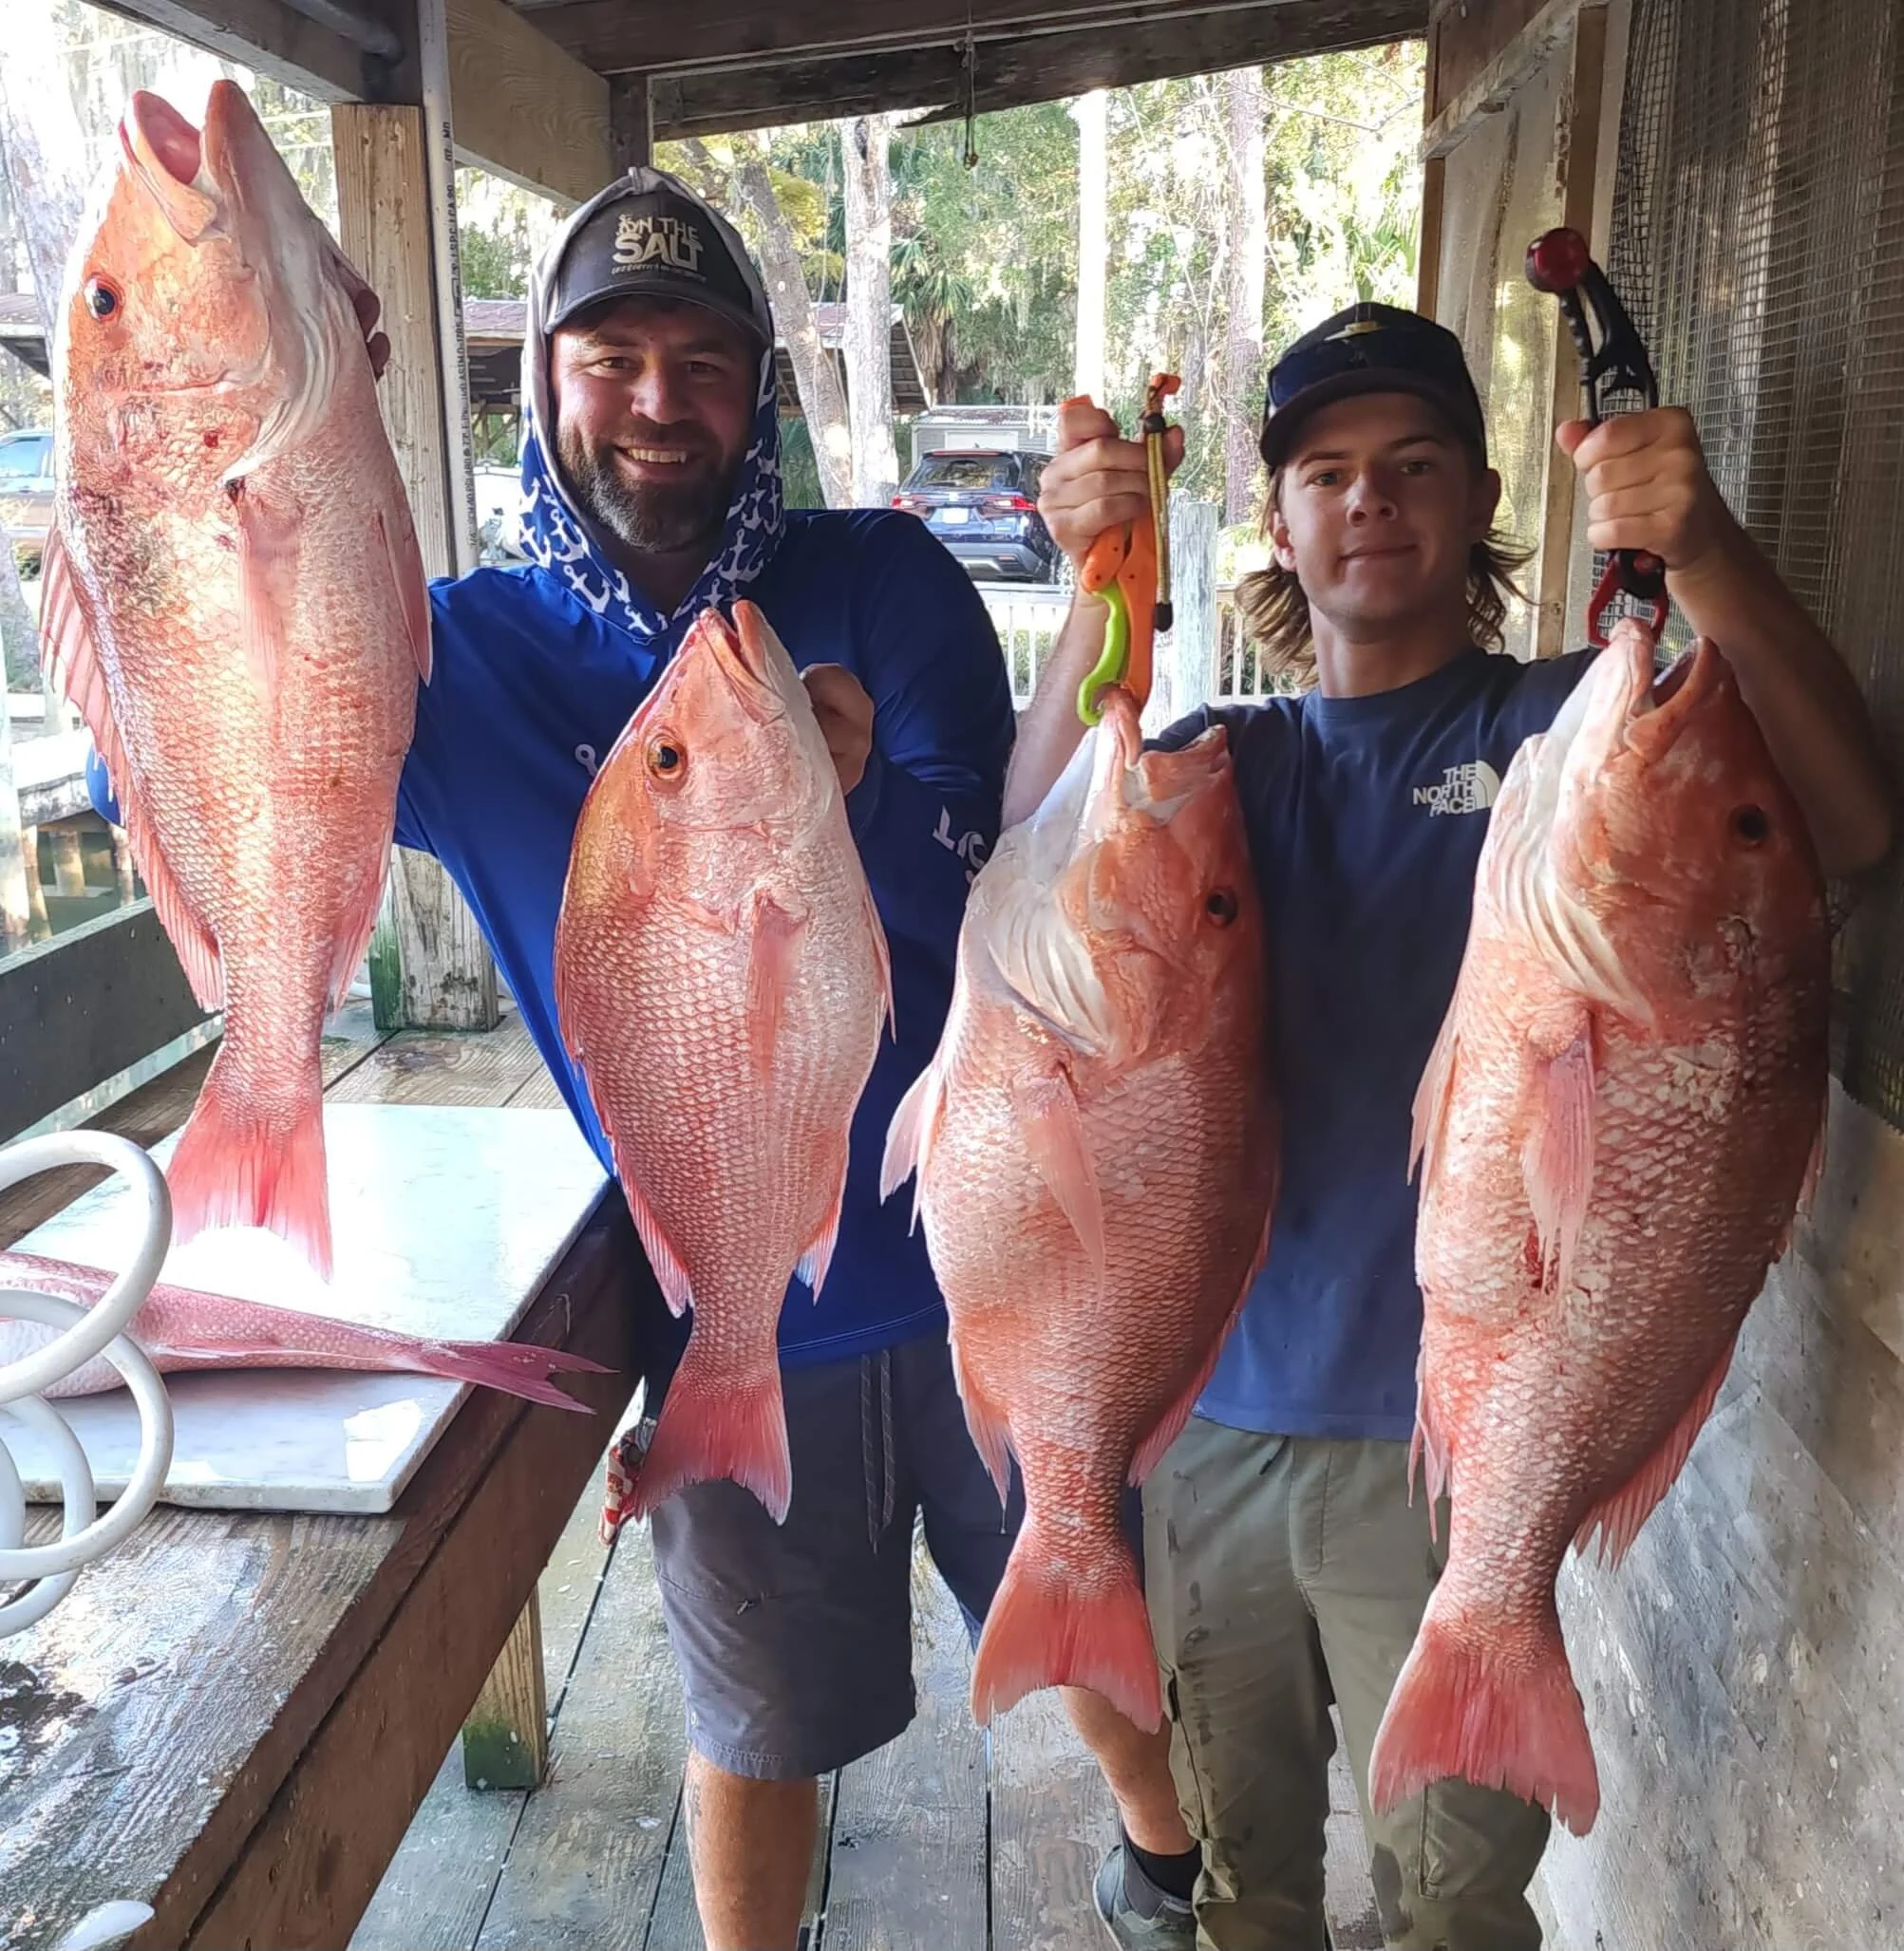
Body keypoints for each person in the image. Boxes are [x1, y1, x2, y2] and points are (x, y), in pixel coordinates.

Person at [89, 166, 1197, 1951]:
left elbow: (1008, 865)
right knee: (749, 1725)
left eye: (704, 358)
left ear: (761, 388)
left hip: (1003, 1253)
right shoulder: (454, 655)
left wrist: (866, 785)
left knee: (1090, 1604)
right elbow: (192, 730)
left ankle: (1167, 1864)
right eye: (612, 355)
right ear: (544, 382)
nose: (661, 400)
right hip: (737, 1302)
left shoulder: (884, 582)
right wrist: (272, 484)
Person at [1007, 301, 1893, 1950]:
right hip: (1222, 1429)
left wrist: (1697, 553)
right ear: (1276, 519)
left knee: (1454, 1907)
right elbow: (1031, 843)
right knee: (1241, 1864)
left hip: (1460, 1471)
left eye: (1413, 463)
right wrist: (1091, 599)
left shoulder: (1574, 732)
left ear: (1484, 495)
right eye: (1326, 471)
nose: (1369, 499)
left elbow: (1839, 812)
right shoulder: (1225, 765)